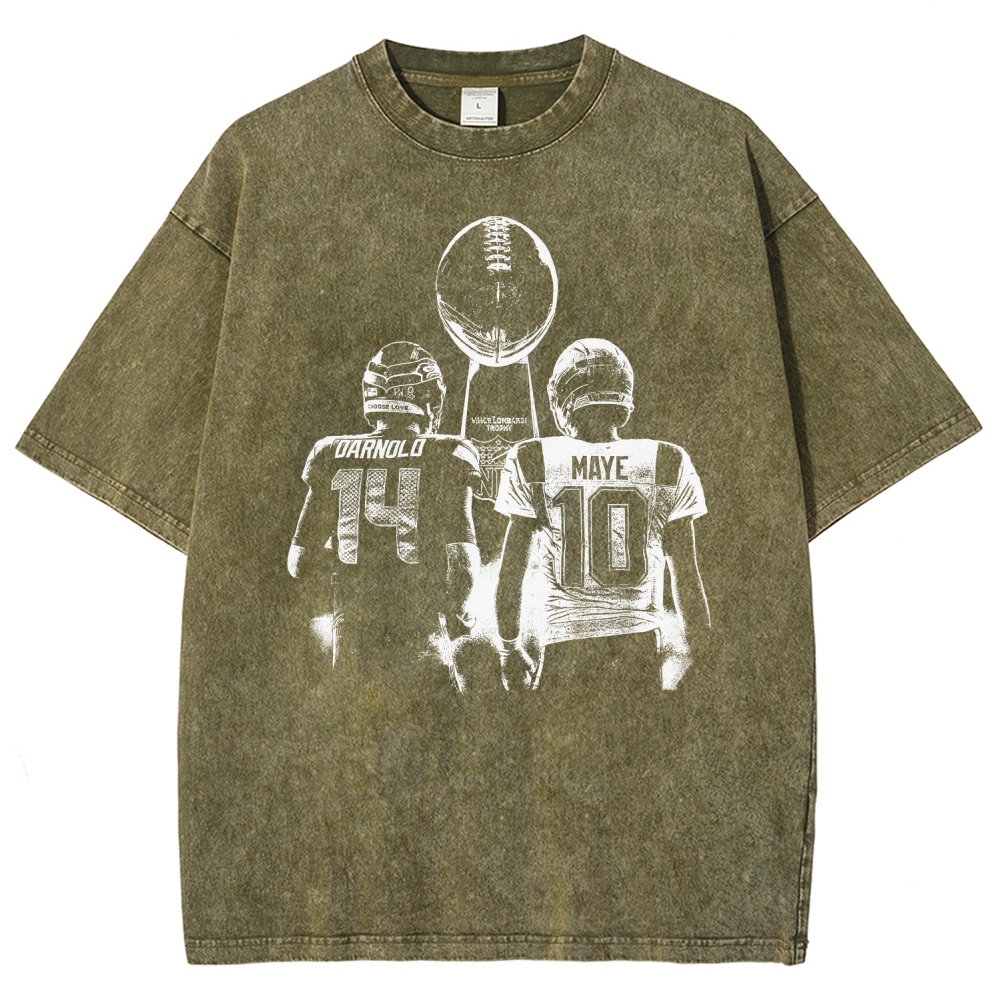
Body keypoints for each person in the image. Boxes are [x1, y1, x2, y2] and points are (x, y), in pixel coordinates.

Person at [494, 338, 709, 693]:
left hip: (565, 647)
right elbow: (686, 574)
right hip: (639, 647)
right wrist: (703, 655)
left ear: (564, 396)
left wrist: (508, 648)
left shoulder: (532, 457)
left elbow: (511, 573)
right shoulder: (667, 460)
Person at [288, 341, 481, 688]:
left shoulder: (330, 452)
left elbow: (299, 562)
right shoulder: (449, 451)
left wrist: (350, 555)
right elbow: (463, 564)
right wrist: (457, 610)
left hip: (353, 637)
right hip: (421, 629)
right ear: (426, 397)